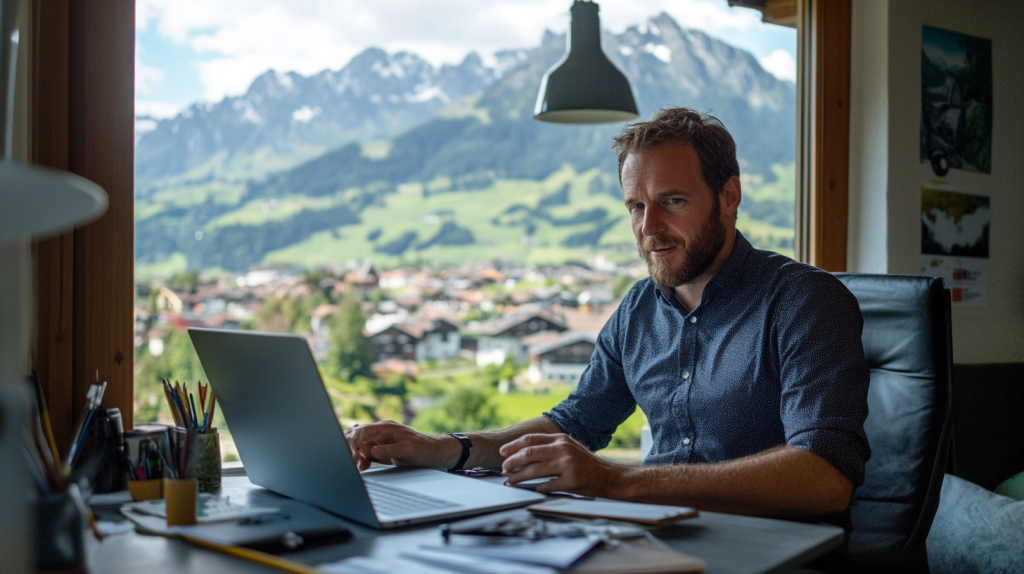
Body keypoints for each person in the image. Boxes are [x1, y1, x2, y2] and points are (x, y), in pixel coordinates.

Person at [345, 107, 870, 519]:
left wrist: (614, 481)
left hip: (774, 552)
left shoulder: (805, 302)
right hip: (657, 532)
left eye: (672, 201)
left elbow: (825, 480)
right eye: (636, 207)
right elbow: (575, 423)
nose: (648, 228)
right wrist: (446, 448)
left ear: (729, 195)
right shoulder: (640, 308)